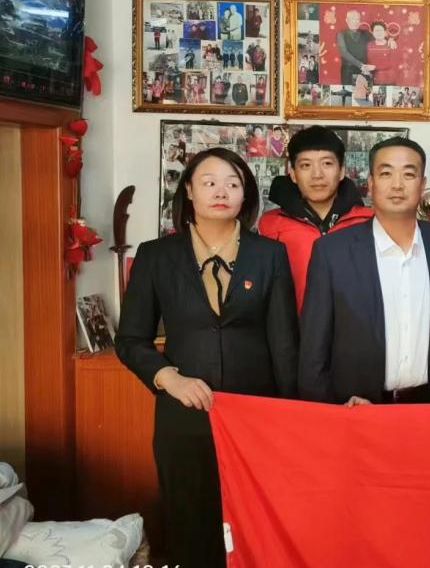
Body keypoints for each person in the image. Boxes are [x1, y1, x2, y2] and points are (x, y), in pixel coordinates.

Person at [115, 148, 298, 568]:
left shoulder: (269, 255)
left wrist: (292, 417)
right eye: (209, 182)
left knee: (255, 526)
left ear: (245, 195)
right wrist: (169, 378)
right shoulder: (156, 256)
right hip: (184, 417)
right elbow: (131, 340)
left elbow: (285, 344)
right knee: (191, 524)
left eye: (233, 184)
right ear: (189, 191)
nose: (221, 192)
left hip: (257, 416)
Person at [299, 137, 430, 405]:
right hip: (356, 409)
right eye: (386, 173)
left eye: (408, 174)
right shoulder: (332, 252)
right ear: (370, 183)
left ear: (423, 185)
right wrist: (333, 409)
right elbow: (313, 351)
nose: (397, 185)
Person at [258, 125, 373, 312]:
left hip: (355, 328)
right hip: (293, 328)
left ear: (341, 170)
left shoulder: (369, 222)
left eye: (327, 163)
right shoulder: (270, 225)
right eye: (306, 165)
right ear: (293, 173)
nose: (317, 175)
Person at [336, 9, 373, 86]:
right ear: (347, 20)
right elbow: (344, 53)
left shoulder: (366, 33)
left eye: (358, 19)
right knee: (349, 92)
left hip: (364, 71)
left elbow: (379, 41)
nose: (356, 21)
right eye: (353, 19)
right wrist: (361, 65)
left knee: (364, 92)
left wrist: (390, 40)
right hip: (348, 71)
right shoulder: (341, 34)